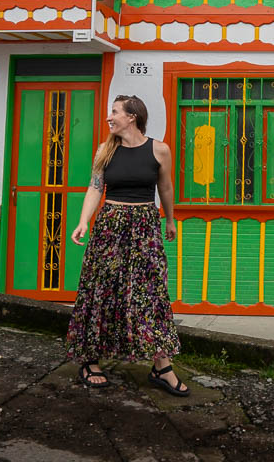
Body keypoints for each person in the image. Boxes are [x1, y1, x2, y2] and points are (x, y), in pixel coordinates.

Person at [65, 94, 188, 396]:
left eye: (115, 111)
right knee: (100, 289)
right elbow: (95, 188)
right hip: (110, 226)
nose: (110, 117)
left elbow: (166, 187)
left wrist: (169, 220)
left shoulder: (159, 150)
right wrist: (83, 221)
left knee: (151, 293)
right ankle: (90, 360)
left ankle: (162, 366)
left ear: (132, 116)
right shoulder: (104, 150)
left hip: (145, 227)